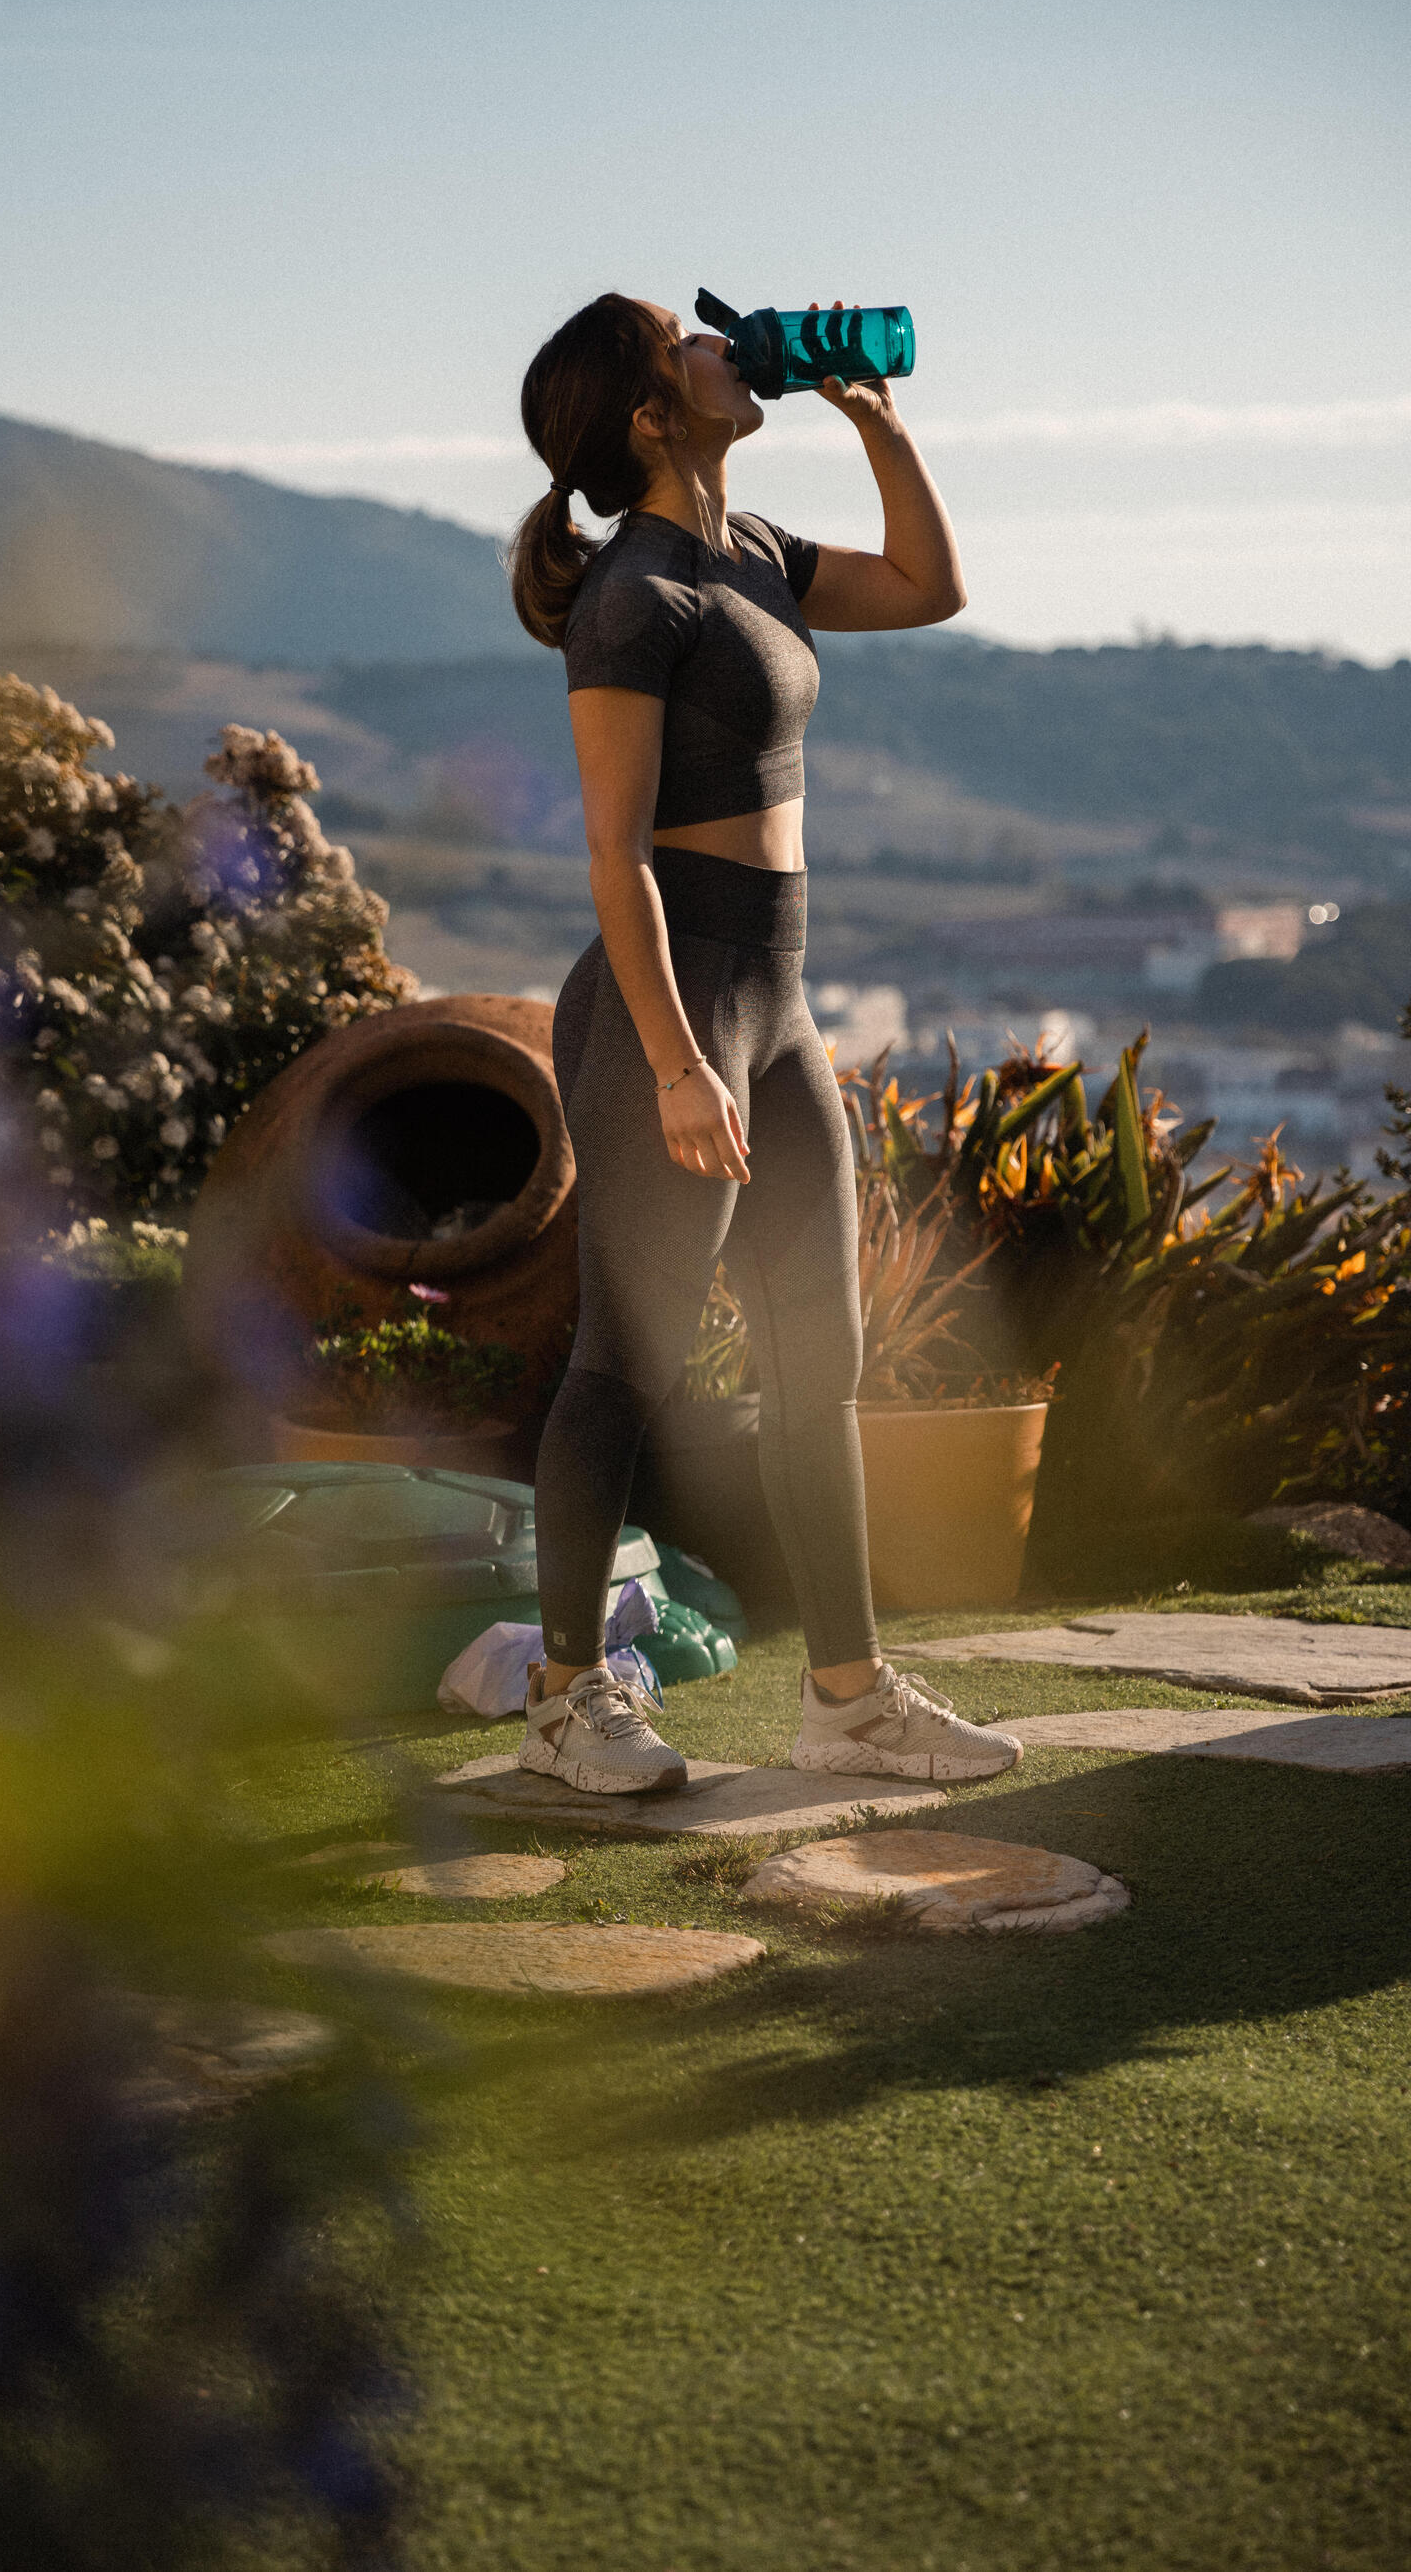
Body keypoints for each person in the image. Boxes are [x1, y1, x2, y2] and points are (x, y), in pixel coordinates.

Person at [507, 291, 1022, 1796]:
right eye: (689, 341)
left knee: (820, 1360)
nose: (723, 346)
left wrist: (880, 425)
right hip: (669, 1008)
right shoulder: (632, 599)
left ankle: (847, 1702)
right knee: (626, 1364)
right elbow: (616, 857)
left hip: (777, 1000)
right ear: (650, 414)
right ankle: (561, 1701)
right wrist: (677, 1063)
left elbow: (929, 587)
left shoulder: (754, 552)